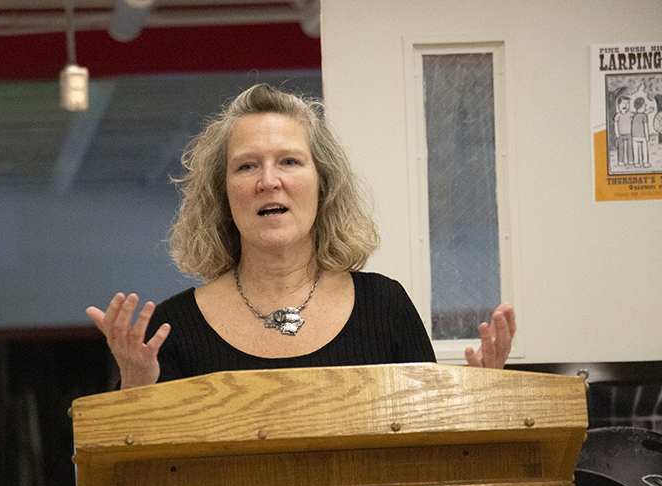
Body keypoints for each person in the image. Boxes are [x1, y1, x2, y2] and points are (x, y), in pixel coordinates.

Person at [87, 83, 516, 390]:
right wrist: (137, 386)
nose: (269, 181)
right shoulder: (172, 328)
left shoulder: (385, 306)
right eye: (246, 166)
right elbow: (152, 480)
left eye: (289, 161)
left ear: (322, 183)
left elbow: (432, 448)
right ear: (222, 194)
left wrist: (481, 399)